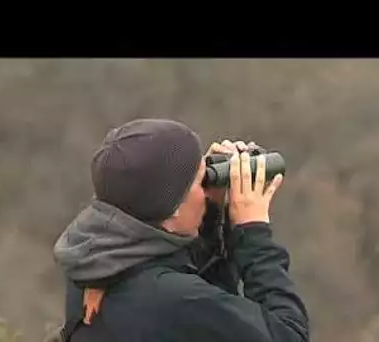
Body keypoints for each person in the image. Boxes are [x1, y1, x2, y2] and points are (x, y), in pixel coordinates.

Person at [51, 118, 310, 342]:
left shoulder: (94, 264)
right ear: (173, 207)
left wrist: (212, 219)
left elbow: (207, 320)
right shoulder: (175, 299)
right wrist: (253, 233)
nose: (207, 187)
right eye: (200, 180)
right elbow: (289, 334)